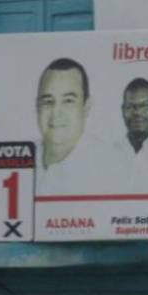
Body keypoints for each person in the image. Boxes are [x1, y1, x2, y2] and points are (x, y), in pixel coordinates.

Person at [34, 57, 108, 196]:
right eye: (48, 101)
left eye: (68, 101)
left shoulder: (109, 166)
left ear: (86, 107)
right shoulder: (20, 157)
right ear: (37, 106)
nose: (56, 113)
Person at [111, 77, 148, 193]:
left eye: (145, 105)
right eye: (130, 106)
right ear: (123, 110)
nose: (138, 112)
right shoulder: (111, 154)